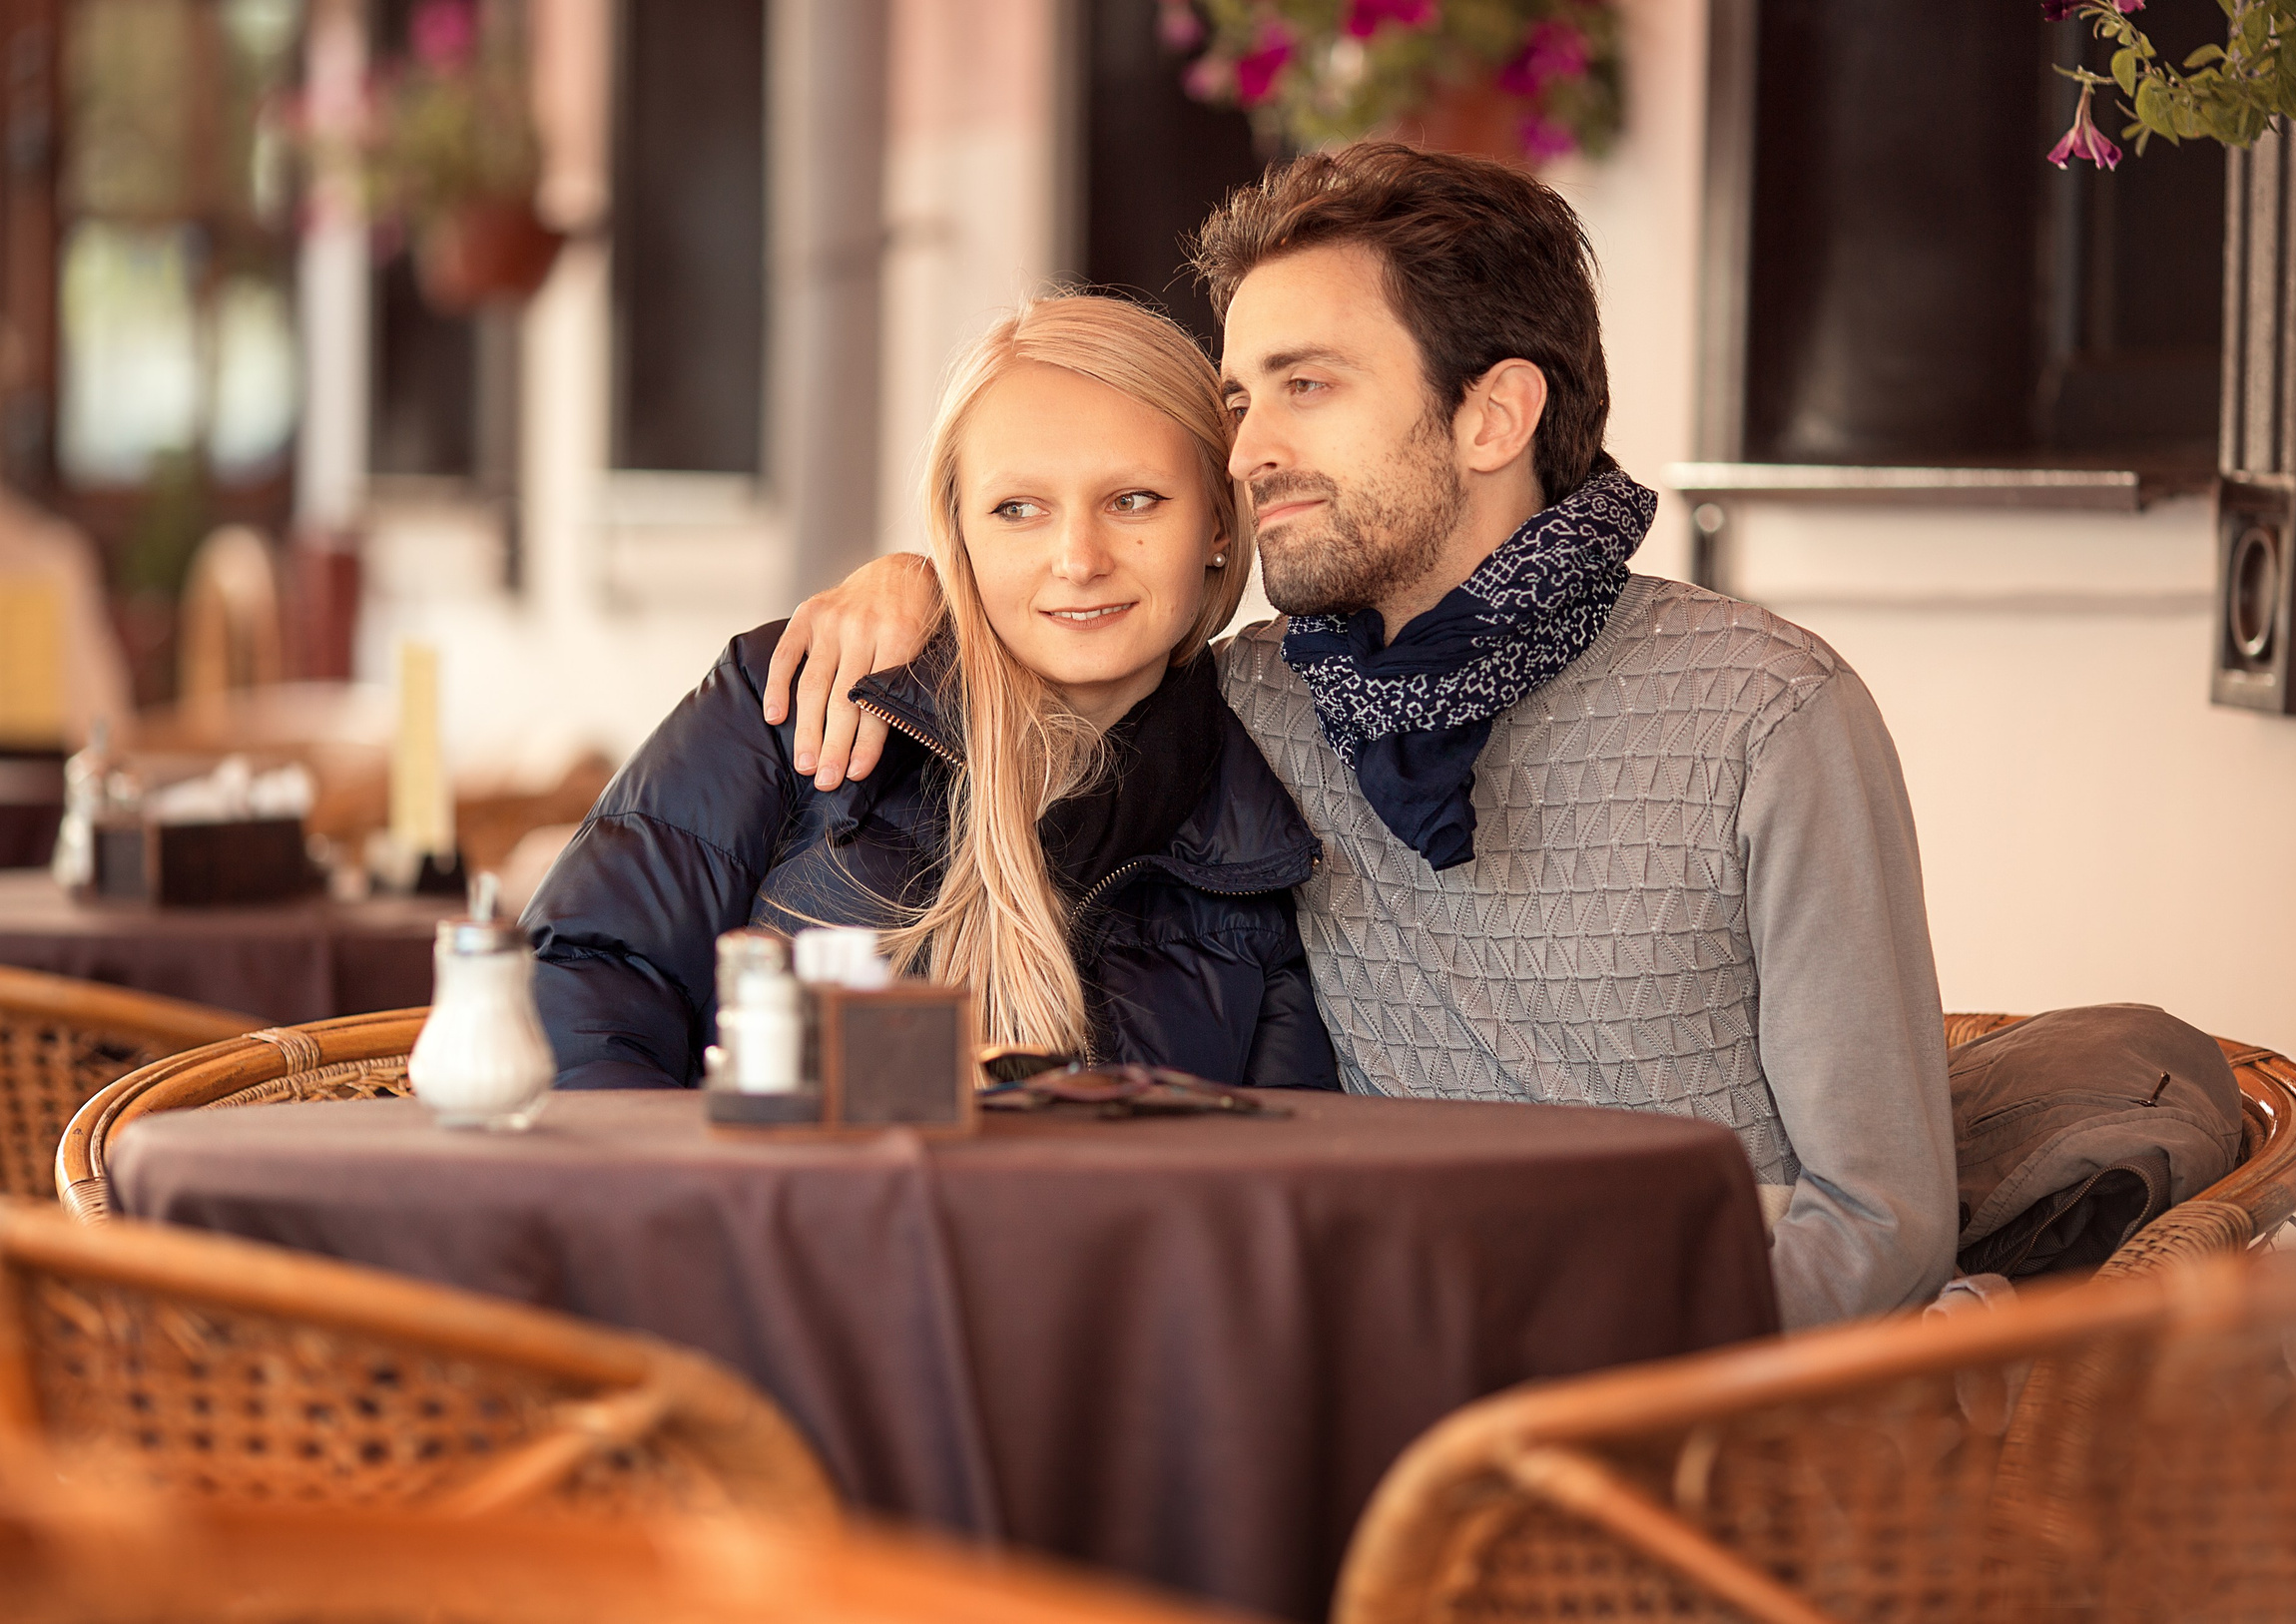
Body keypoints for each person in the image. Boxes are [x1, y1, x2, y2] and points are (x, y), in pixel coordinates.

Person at [767, 146, 1955, 1329]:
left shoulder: (1767, 713)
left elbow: (1878, 1221)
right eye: (1239, 398)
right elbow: (1038, 655)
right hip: (1376, 1386)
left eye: (1308, 385)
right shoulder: (1244, 709)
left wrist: (1595, 1386)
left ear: (1491, 415)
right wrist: (912, 583)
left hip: (1696, 1410)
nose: (1242, 453)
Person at [524, 295, 1336, 1091]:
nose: (1079, 558)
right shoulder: (806, 688)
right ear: (958, 531)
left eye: (1133, 501)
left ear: (1219, 526)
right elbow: (579, 982)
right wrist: (722, 1208)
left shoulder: (1259, 831)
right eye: (1018, 509)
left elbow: (1266, 1175)